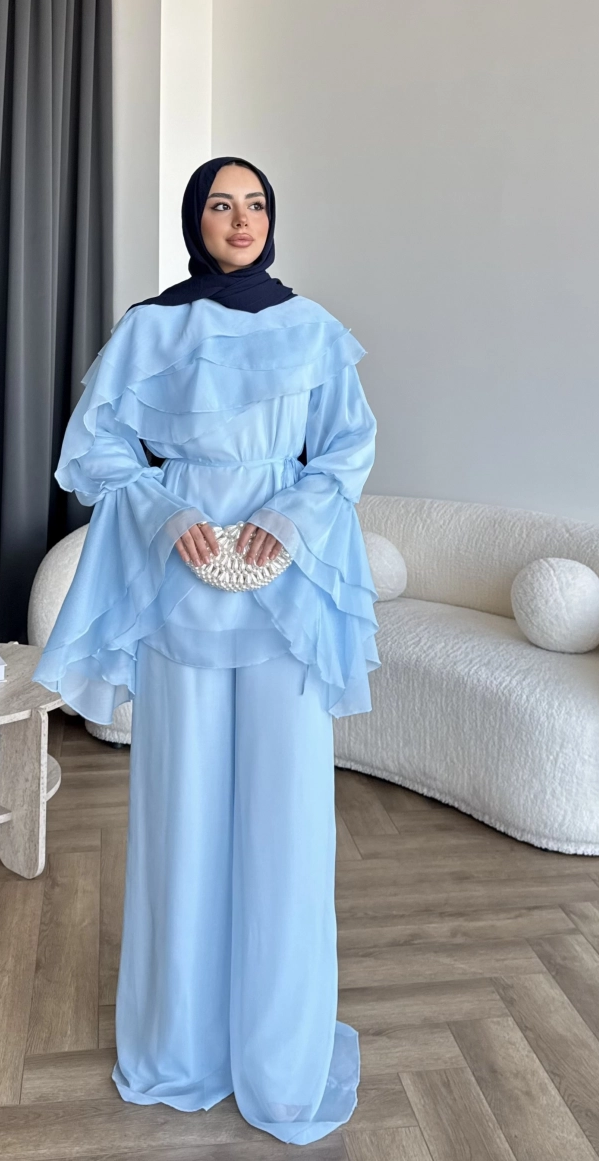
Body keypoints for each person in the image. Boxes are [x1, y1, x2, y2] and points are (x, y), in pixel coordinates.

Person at [33, 155, 380, 1146]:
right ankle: (180, 1046)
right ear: (195, 220)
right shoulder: (151, 327)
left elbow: (346, 451)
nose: (241, 218)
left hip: (285, 592)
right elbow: (95, 450)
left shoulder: (313, 329)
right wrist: (166, 511)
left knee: (286, 821)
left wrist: (290, 515)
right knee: (180, 815)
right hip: (179, 589)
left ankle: (280, 1059)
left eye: (255, 203)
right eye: (221, 204)